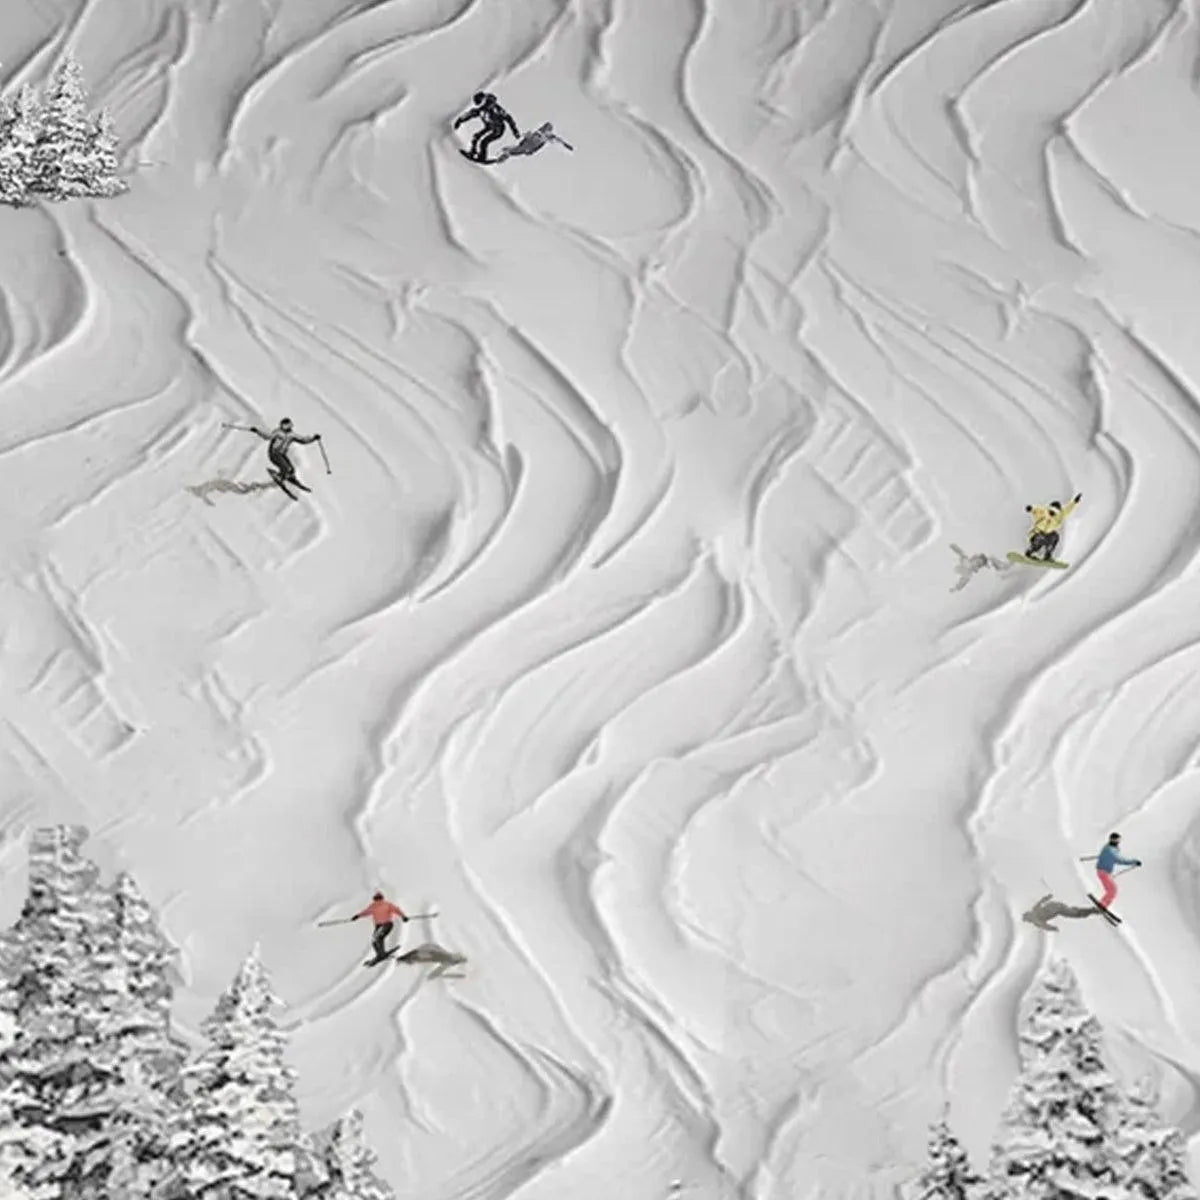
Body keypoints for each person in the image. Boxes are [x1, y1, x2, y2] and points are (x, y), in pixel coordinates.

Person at [231, 418, 322, 491]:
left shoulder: (292, 435)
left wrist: (313, 438)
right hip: (274, 454)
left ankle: (290, 476)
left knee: (291, 469)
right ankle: (280, 476)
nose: (285, 427)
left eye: (287, 425)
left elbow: (303, 440)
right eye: (284, 425)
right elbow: (268, 436)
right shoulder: (278, 432)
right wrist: (257, 431)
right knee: (285, 467)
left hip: (282, 454)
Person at [453, 92, 520, 163]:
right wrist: (459, 120)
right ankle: (472, 152)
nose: (488, 105)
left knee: (483, 142)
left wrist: (515, 132)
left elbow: (509, 119)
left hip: (498, 129)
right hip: (489, 126)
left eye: (490, 103)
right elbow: (470, 114)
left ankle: (482, 157)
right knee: (476, 137)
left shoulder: (496, 109)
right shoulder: (481, 109)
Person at [1024, 492, 1081, 562]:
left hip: (1048, 535)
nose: (1051, 514)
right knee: (1039, 541)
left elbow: (1067, 509)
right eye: (1050, 511)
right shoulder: (1043, 512)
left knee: (1055, 536)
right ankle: (1029, 552)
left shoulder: (1059, 516)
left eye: (1054, 512)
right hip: (1036, 533)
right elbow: (1035, 509)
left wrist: (1075, 502)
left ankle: (1047, 555)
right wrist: (1030, 508)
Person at [352, 891, 408, 962]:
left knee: (376, 939)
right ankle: (381, 954)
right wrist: (403, 916)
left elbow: (365, 912)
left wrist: (357, 916)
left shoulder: (375, 905)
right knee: (376, 939)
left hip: (385, 925)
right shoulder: (386, 904)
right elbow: (397, 910)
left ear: (375, 898)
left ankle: (380, 954)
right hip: (386, 925)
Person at [1094, 832, 1141, 911]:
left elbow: (1112, 853)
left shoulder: (1108, 847)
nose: (1119, 842)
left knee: (1111, 890)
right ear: (1114, 840)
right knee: (1113, 890)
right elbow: (1120, 860)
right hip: (1104, 873)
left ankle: (1102, 904)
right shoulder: (1110, 851)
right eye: (1118, 840)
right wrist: (1134, 862)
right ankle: (1102, 905)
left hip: (1103, 872)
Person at [491, 122, 574, 163]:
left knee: (516, 151)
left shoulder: (548, 136)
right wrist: (523, 136)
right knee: (515, 150)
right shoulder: (538, 132)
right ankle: (502, 155)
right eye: (544, 127)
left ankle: (503, 155)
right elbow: (527, 135)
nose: (544, 128)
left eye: (547, 128)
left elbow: (558, 140)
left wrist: (567, 145)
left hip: (529, 147)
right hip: (526, 145)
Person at [1021, 893, 1102, 932]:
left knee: (1074, 914)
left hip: (1058, 909)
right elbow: (1041, 902)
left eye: (1028, 920)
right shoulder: (1034, 909)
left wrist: (1053, 928)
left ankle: (1093, 910)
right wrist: (1048, 897)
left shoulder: (1036, 921)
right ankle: (1089, 910)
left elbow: (1045, 926)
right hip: (1056, 905)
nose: (1029, 921)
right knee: (1073, 912)